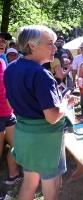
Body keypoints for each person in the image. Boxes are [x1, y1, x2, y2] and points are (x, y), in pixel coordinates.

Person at [4, 25, 77, 199]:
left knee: (29, 183)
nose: (55, 48)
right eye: (50, 44)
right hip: (47, 140)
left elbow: (9, 103)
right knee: (52, 187)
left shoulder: (11, 68)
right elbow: (52, 117)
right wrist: (65, 102)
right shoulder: (41, 74)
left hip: (25, 136)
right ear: (32, 46)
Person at [0, 50, 22, 186]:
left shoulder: (2, 61)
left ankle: (14, 175)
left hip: (8, 113)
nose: (2, 43)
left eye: (3, 41)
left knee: (18, 145)